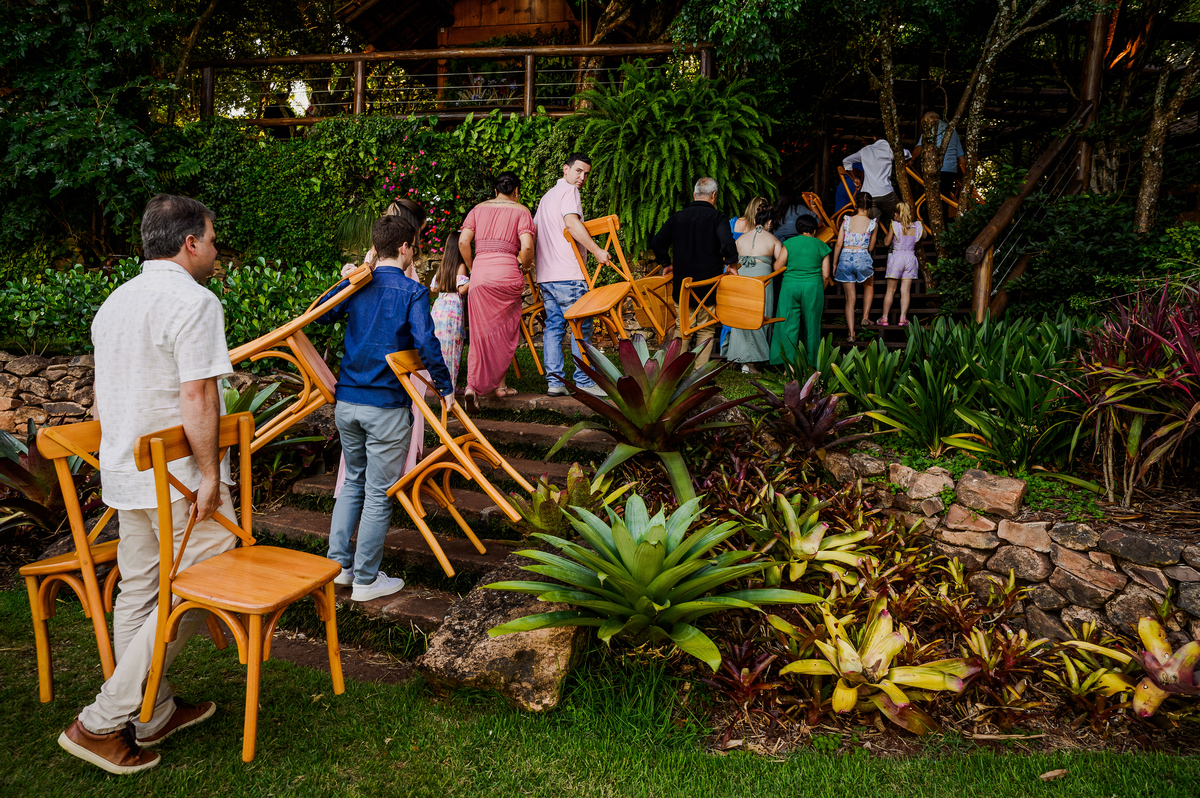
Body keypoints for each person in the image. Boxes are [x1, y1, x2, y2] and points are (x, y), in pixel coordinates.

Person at [57, 194, 237, 775]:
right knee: (200, 586)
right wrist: (210, 474)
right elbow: (198, 394)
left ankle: (153, 709)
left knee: (138, 591)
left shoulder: (114, 303)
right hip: (178, 480)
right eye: (211, 239)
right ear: (189, 243)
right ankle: (103, 721)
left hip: (125, 473)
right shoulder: (195, 300)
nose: (214, 249)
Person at [318, 215, 454, 602]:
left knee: (352, 484)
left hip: (347, 402)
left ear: (375, 247)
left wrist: (350, 277)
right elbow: (427, 343)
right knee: (378, 493)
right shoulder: (412, 290)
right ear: (408, 247)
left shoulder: (359, 283)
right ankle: (365, 579)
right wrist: (445, 388)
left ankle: (339, 569)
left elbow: (322, 313)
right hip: (386, 405)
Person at [532, 152, 607, 398]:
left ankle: (555, 382)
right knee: (581, 327)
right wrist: (596, 251)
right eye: (578, 171)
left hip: (547, 275)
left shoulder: (546, 197)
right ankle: (584, 381)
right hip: (568, 274)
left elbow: (534, 232)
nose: (582, 177)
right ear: (565, 169)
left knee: (554, 326)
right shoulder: (569, 192)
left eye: (586, 173)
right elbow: (572, 224)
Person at [459, 171, 534, 407]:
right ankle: (500, 387)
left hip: (481, 275)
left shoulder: (477, 209)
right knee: (505, 331)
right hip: (507, 275)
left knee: (480, 334)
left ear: (494, 190)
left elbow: (463, 241)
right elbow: (528, 246)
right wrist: (525, 266)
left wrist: (474, 267)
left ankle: (473, 386)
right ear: (516, 191)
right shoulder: (521, 210)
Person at [650, 177, 738, 371]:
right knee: (705, 329)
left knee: (683, 328)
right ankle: (700, 373)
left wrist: (666, 262)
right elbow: (726, 242)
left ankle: (674, 372)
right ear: (714, 195)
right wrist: (732, 262)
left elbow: (657, 242)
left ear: (694, 194)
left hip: (683, 286)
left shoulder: (677, 217)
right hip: (708, 287)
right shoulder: (717, 217)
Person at [726, 207, 787, 373]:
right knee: (761, 315)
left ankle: (739, 358)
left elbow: (730, 260)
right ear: (769, 222)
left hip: (741, 277)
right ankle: (753, 362)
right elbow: (779, 265)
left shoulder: (740, 239)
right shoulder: (773, 240)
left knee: (741, 316)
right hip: (762, 280)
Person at [771, 214, 832, 368]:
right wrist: (819, 289)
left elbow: (778, 267)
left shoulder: (789, 243)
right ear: (814, 229)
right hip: (812, 287)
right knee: (812, 326)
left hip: (790, 286)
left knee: (787, 324)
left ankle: (789, 365)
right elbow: (826, 275)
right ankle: (812, 365)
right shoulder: (821, 245)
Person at [832, 191, 878, 343]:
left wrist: (834, 263)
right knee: (869, 285)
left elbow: (838, 243)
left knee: (850, 299)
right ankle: (865, 317)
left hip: (845, 257)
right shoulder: (873, 223)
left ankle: (851, 334)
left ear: (856, 204)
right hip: (862, 257)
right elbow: (870, 248)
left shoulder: (846, 221)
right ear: (870, 206)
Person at [430, 231, 470, 388]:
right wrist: (475, 277)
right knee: (452, 350)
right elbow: (462, 289)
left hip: (438, 309)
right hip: (452, 311)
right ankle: (449, 387)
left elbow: (433, 288)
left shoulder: (442, 265)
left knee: (440, 349)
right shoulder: (460, 266)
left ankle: (438, 383)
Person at [843, 139, 908, 228]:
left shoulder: (865, 151)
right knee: (902, 219)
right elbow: (907, 154)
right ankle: (905, 239)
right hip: (886, 194)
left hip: (870, 196)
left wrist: (854, 178)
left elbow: (846, 161)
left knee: (868, 227)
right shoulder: (888, 149)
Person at [878, 202, 923, 327]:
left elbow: (886, 243)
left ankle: (885, 318)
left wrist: (890, 229)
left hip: (897, 258)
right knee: (905, 291)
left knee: (890, 290)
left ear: (897, 214)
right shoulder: (917, 226)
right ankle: (902, 318)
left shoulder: (895, 225)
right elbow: (923, 235)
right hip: (910, 258)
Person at [911, 111, 965, 200]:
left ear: (929, 119)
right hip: (951, 171)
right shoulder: (952, 130)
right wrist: (962, 176)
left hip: (936, 169)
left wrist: (911, 160)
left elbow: (920, 147)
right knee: (945, 198)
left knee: (933, 199)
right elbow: (961, 156)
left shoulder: (931, 127)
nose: (923, 127)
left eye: (923, 123)